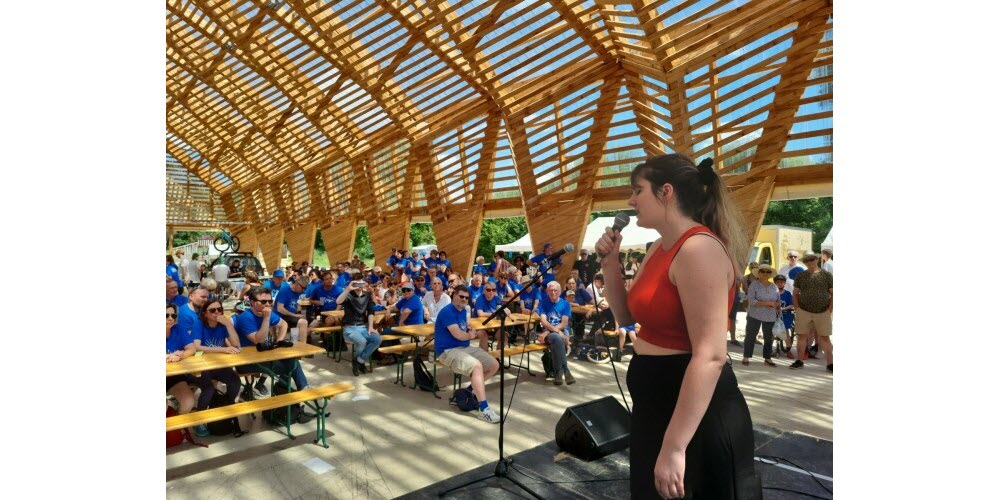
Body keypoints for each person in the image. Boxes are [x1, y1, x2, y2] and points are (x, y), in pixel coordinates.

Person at [595, 154, 759, 499]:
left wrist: (674, 447)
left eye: (638, 190)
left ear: (666, 192)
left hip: (695, 414)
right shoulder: (659, 247)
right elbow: (626, 318)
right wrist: (610, 265)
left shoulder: (698, 249)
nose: (631, 201)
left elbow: (711, 355)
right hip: (655, 407)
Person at [433, 284, 501, 424]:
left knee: (494, 365)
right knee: (477, 366)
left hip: (464, 347)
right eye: (461, 296)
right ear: (454, 296)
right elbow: (458, 334)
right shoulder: (447, 312)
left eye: (466, 298)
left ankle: (469, 391)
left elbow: (465, 328)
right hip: (447, 351)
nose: (464, 299)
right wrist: (471, 335)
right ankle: (484, 409)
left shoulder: (464, 311)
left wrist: (470, 330)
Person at [233, 287, 311, 395]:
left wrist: (279, 342)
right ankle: (292, 389)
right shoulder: (246, 317)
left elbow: (283, 324)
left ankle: (290, 389)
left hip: (263, 356)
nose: (268, 304)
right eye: (263, 301)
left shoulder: (267, 313)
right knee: (292, 364)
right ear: (252, 303)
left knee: (290, 359)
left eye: (270, 301)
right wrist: (266, 318)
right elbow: (258, 340)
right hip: (246, 361)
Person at [190, 298, 243, 436]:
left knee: (235, 381)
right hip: (201, 366)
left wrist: (229, 325)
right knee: (208, 389)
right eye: (212, 310)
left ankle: (225, 407)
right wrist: (223, 349)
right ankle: (199, 420)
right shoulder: (199, 324)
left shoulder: (223, 325)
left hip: (218, 365)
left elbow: (236, 344)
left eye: (219, 309)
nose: (217, 313)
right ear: (205, 313)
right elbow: (197, 347)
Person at [789, 253, 833, 371]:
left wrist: (829, 310)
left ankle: (830, 364)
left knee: (825, 338)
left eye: (812, 259)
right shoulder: (801, 275)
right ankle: (799, 361)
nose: (810, 262)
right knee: (802, 336)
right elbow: (795, 293)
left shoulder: (827, 275)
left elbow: (833, 293)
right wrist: (797, 309)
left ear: (817, 259)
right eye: (807, 260)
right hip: (803, 311)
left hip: (823, 311)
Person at [337, 273, 382, 376]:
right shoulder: (348, 295)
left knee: (377, 339)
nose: (358, 285)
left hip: (363, 327)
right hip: (349, 328)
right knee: (362, 341)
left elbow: (371, 312)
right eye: (356, 283)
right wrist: (347, 289)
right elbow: (338, 301)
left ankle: (359, 361)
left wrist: (371, 327)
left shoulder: (367, 295)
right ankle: (360, 363)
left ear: (364, 283)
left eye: (361, 283)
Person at [741, 264, 781, 366]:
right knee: (750, 336)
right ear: (759, 273)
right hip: (755, 314)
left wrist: (776, 304)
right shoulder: (754, 285)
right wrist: (768, 303)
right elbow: (751, 301)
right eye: (763, 271)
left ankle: (767, 358)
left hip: (770, 316)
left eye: (768, 272)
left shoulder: (774, 286)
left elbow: (778, 301)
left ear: (770, 274)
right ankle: (746, 356)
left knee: (769, 337)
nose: (765, 273)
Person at [537, 281, 575, 385]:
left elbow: (564, 323)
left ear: (560, 291)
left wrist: (552, 331)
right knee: (558, 338)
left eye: (555, 290)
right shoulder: (543, 303)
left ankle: (558, 374)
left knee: (557, 342)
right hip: (550, 334)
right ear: (547, 291)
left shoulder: (565, 304)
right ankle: (565, 370)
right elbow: (544, 321)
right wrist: (556, 331)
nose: (553, 292)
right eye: (551, 290)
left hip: (557, 331)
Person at [166, 303, 197, 419]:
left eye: (173, 316)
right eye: (166, 315)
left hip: (174, 375)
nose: (170, 318)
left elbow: (192, 349)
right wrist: (170, 356)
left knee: (188, 401)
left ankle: (177, 427)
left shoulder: (179, 328)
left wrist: (180, 355)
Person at [275, 276, 310, 343]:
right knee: (303, 322)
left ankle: (295, 340)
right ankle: (302, 345)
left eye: (305, 288)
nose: (304, 290)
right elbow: (280, 309)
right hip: (282, 316)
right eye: (303, 288)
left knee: (315, 321)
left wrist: (299, 311)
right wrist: (295, 315)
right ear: (297, 284)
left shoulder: (298, 292)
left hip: (292, 315)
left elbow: (296, 305)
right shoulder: (285, 290)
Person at [774, 274, 795, 357]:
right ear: (775, 283)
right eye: (778, 282)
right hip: (773, 316)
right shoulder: (772, 293)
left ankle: (788, 350)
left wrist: (783, 309)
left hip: (785, 316)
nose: (780, 284)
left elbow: (791, 305)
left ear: (784, 283)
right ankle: (771, 349)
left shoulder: (788, 294)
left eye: (781, 282)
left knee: (786, 333)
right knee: (771, 332)